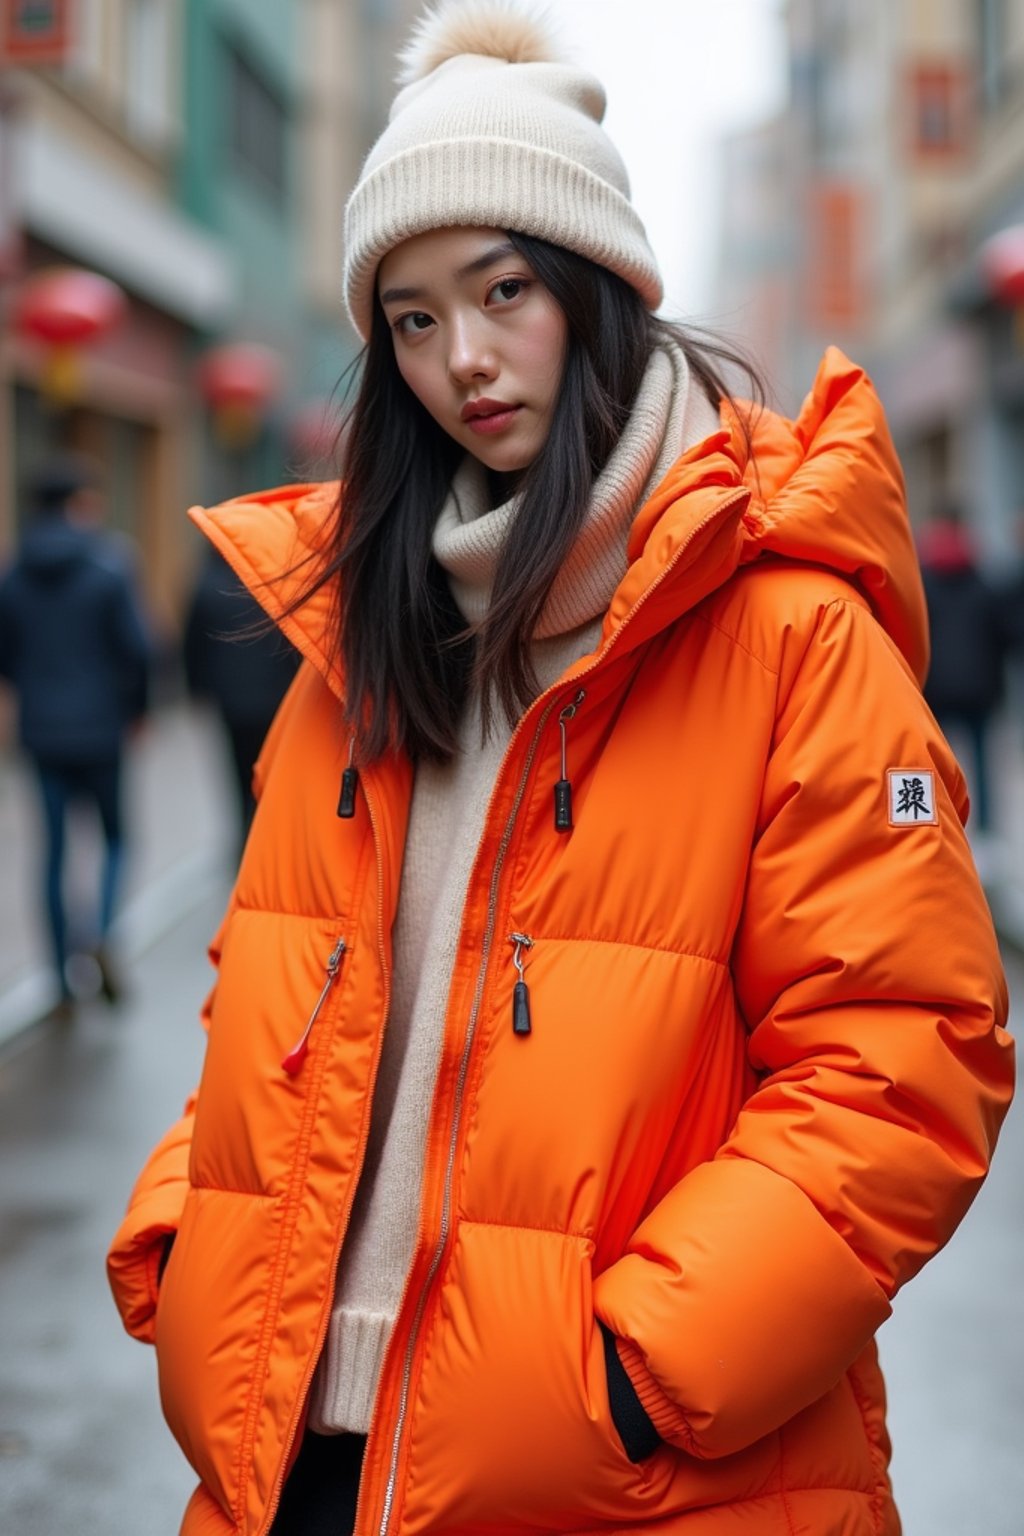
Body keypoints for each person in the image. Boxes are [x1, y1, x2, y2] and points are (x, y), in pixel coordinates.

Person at [107, 6, 1013, 1535]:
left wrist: (637, 1372)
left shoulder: (785, 630)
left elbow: (907, 1054)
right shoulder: (361, 639)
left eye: (503, 291)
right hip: (297, 1464)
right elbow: (260, 991)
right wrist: (185, 1237)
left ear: (595, 289)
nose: (462, 357)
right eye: (410, 317)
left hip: (631, 1478)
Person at [0, 453, 151, 1019]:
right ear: (75, 504)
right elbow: (137, 650)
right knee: (115, 839)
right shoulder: (109, 565)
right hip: (101, 728)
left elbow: (6, 658)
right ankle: (102, 931)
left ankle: (61, 980)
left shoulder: (13, 575)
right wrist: (136, 710)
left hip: (41, 731)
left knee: (53, 853)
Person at [183, 545, 300, 846]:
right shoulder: (272, 579)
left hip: (230, 701)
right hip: (275, 696)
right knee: (273, 772)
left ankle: (245, 838)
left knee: (238, 773)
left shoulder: (207, 584)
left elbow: (193, 646)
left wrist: (197, 691)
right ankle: (266, 836)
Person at [918, 506, 1005, 834]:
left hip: (936, 688)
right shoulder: (981, 578)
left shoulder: (923, 580)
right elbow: (1001, 633)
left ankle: (942, 824)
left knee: (935, 763)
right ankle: (986, 830)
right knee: (982, 762)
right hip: (980, 688)